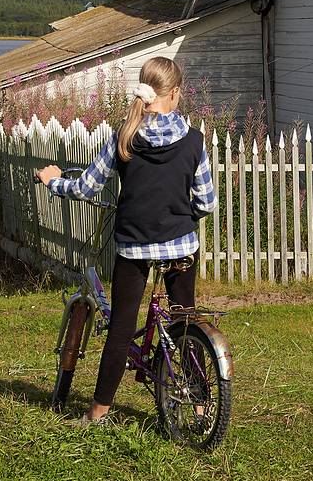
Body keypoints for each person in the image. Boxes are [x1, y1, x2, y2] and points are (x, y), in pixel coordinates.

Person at [35, 56, 217, 426]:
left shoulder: (124, 137)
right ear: (176, 94)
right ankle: (199, 406)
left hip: (134, 247)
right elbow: (207, 202)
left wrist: (53, 180)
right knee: (185, 320)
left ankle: (97, 412)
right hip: (181, 246)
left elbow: (87, 187)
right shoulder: (195, 141)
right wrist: (183, 218)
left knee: (120, 329)